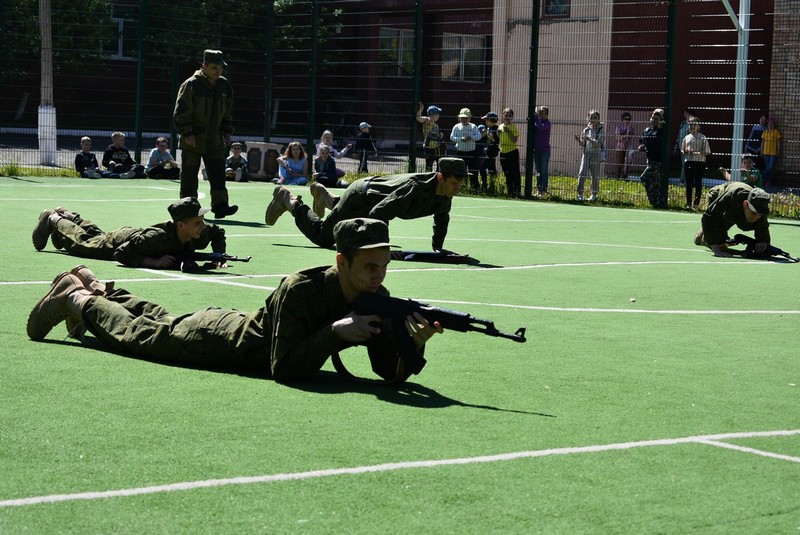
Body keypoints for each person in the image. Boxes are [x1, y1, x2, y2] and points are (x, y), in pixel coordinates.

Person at [27, 218, 443, 384]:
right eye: (370, 266)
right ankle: (78, 297)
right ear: (342, 260)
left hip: (232, 326)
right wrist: (336, 334)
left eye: (383, 265)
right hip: (221, 340)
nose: (379, 275)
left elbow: (388, 372)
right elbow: (284, 369)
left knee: (158, 318)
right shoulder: (303, 288)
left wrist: (415, 343)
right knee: (141, 335)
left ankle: (99, 287)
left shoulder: (377, 297)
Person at [265, 157, 469, 251]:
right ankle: (288, 200)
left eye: (459, 184)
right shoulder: (414, 189)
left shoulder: (444, 194)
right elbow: (380, 212)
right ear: (440, 177)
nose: (456, 188)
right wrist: (382, 246)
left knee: (347, 219)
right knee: (324, 237)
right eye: (453, 183)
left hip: (372, 197)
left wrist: (438, 248)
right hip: (361, 196)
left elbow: (442, 218)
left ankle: (324, 197)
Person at [31, 198, 226, 269]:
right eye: (198, 222)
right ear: (181, 225)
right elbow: (121, 253)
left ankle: (69, 215)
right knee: (84, 244)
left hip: (134, 237)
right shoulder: (156, 238)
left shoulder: (199, 231)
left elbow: (218, 232)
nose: (204, 226)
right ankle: (53, 219)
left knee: (95, 235)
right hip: (122, 242)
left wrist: (219, 257)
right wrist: (153, 262)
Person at [173, 49, 238, 219]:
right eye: (214, 67)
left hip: (214, 139)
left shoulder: (224, 85)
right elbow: (181, 112)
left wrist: (227, 131)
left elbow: (228, 112)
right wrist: (187, 133)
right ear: (204, 66)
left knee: (218, 175)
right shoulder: (191, 85)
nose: (218, 71)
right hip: (193, 139)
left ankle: (220, 206)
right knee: (189, 178)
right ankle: (188, 208)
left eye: (221, 68)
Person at [694, 182, 770, 258]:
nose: (756, 217)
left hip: (734, 211)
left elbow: (763, 235)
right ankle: (703, 232)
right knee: (709, 242)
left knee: (722, 241)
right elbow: (709, 216)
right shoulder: (731, 196)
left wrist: (762, 245)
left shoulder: (761, 210)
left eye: (759, 215)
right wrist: (716, 249)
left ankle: (710, 232)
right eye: (753, 213)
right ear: (746, 204)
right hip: (719, 197)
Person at [574, 109, 605, 202]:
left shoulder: (601, 129)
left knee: (595, 175)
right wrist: (579, 140)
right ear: (588, 118)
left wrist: (590, 139)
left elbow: (599, 143)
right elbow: (583, 144)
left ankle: (594, 194)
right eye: (591, 118)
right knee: (582, 173)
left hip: (596, 154)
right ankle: (580, 194)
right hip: (586, 154)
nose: (593, 120)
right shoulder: (586, 129)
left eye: (595, 118)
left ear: (598, 119)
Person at [680, 118, 711, 210]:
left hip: (699, 162)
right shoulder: (687, 137)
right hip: (689, 162)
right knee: (689, 183)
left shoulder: (702, 137)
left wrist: (698, 152)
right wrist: (686, 150)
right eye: (690, 124)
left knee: (698, 182)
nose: (692, 126)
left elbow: (707, 151)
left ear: (698, 126)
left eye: (694, 124)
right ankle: (688, 203)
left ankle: (696, 203)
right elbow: (682, 149)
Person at [637, 109, 665, 207]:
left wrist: (660, 125)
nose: (654, 120)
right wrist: (642, 147)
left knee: (644, 178)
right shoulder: (647, 130)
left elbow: (659, 144)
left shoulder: (662, 131)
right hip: (649, 159)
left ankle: (654, 199)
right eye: (653, 118)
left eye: (657, 119)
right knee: (654, 182)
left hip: (657, 161)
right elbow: (644, 142)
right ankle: (655, 202)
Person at [450, 108, 481, 189]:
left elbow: (479, 136)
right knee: (460, 171)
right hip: (460, 152)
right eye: (462, 118)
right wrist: (460, 139)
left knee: (473, 171)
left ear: (469, 118)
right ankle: (461, 187)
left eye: (466, 118)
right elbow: (452, 137)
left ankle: (474, 187)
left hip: (471, 152)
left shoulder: (473, 126)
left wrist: (471, 137)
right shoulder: (456, 127)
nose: (464, 120)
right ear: (459, 118)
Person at [497, 108, 521, 197]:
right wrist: (497, 133)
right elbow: (499, 137)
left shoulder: (514, 127)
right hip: (503, 152)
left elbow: (514, 140)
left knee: (515, 172)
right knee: (507, 173)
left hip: (512, 152)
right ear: (502, 115)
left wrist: (508, 132)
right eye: (505, 114)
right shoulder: (500, 126)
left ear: (512, 117)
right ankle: (510, 191)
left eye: (509, 115)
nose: (507, 116)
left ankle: (517, 191)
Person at [416, 103, 445, 172]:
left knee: (439, 163)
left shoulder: (435, 124)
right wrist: (421, 109)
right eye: (437, 114)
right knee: (429, 164)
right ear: (433, 114)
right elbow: (418, 118)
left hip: (436, 147)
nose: (438, 116)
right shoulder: (427, 120)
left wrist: (440, 135)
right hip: (428, 146)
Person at [478, 112, 500, 191]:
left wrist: (492, 139)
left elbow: (496, 142)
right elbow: (486, 140)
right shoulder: (488, 129)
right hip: (487, 151)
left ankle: (485, 185)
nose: (486, 122)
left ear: (491, 120)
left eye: (487, 120)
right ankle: (492, 186)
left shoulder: (496, 129)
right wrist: (484, 136)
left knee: (482, 168)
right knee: (491, 170)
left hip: (492, 152)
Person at [533, 106, 552, 196]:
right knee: (538, 170)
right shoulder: (537, 122)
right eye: (541, 114)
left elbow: (540, 127)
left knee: (544, 170)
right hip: (537, 150)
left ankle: (544, 189)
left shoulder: (547, 123)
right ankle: (539, 189)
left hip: (545, 151)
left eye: (545, 114)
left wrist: (536, 118)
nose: (543, 116)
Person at [674, 107, 696, 184]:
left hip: (689, 149)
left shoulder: (693, 124)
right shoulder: (683, 124)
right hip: (682, 148)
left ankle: (684, 181)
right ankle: (684, 180)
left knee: (686, 165)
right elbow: (679, 136)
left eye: (686, 113)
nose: (685, 115)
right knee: (683, 165)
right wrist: (676, 147)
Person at [612, 112, 635, 179]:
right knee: (619, 163)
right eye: (625, 119)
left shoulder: (631, 127)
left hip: (628, 147)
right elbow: (617, 137)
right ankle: (617, 178)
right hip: (620, 147)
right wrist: (625, 136)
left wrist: (629, 135)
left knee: (627, 162)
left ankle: (625, 177)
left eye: (629, 119)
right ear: (622, 119)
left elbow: (632, 135)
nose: (627, 121)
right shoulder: (619, 127)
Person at [761, 117, 781, 187]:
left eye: (772, 124)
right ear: (767, 124)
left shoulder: (776, 132)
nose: (770, 125)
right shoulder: (765, 132)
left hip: (773, 153)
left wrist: (778, 151)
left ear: (774, 124)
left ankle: (763, 179)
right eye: (769, 123)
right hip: (766, 152)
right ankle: (767, 182)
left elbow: (778, 142)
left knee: (770, 168)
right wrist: (761, 150)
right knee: (767, 168)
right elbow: (762, 142)